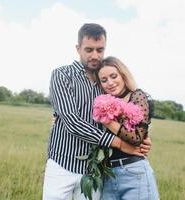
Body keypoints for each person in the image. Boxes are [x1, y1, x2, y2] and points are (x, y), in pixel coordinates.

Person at [42, 23, 152, 200]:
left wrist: (142, 136)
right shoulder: (62, 75)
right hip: (62, 163)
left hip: (95, 170)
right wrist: (121, 144)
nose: (95, 55)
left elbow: (127, 114)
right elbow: (72, 122)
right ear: (78, 48)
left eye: (100, 50)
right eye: (89, 50)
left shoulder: (107, 84)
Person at [96, 56, 159, 200]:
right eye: (104, 80)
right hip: (109, 175)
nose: (110, 83)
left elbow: (136, 138)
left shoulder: (137, 96)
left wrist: (107, 121)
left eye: (114, 76)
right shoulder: (102, 103)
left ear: (123, 75)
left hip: (134, 173)